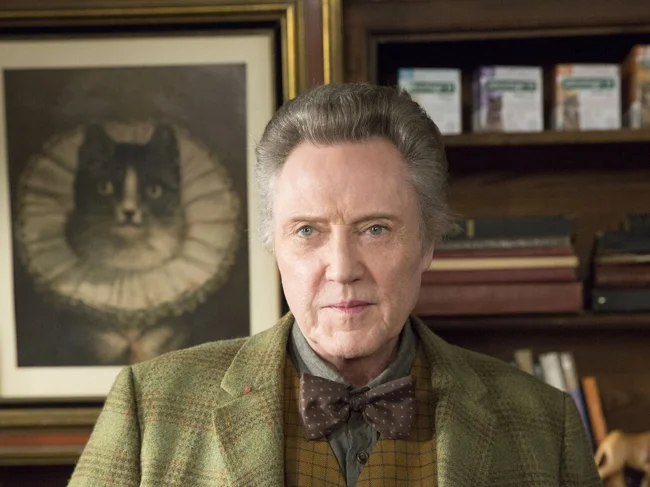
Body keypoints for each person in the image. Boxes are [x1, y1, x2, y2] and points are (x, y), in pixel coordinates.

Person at [68, 83, 602, 487]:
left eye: (375, 229)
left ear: (427, 243)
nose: (342, 268)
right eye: (308, 231)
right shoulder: (149, 409)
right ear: (275, 246)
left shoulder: (544, 424)